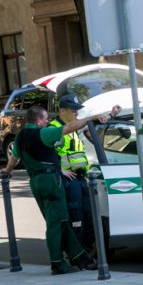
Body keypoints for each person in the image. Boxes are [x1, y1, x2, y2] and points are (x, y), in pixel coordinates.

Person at [1, 103, 117, 275]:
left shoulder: (20, 136)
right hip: (51, 181)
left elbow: (14, 159)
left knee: (61, 221)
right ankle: (57, 263)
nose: (48, 121)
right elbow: (70, 127)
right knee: (56, 224)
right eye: (46, 118)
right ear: (39, 120)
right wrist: (91, 118)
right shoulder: (44, 133)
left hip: (35, 182)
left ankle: (81, 258)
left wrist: (6, 172)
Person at [49, 95, 108, 252]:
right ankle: (76, 255)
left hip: (81, 179)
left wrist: (113, 113)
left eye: (77, 110)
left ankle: (87, 253)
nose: (76, 113)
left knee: (88, 217)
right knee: (76, 219)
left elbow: (92, 125)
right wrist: (60, 169)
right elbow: (47, 154)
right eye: (73, 110)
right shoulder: (54, 128)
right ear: (62, 111)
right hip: (69, 181)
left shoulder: (73, 127)